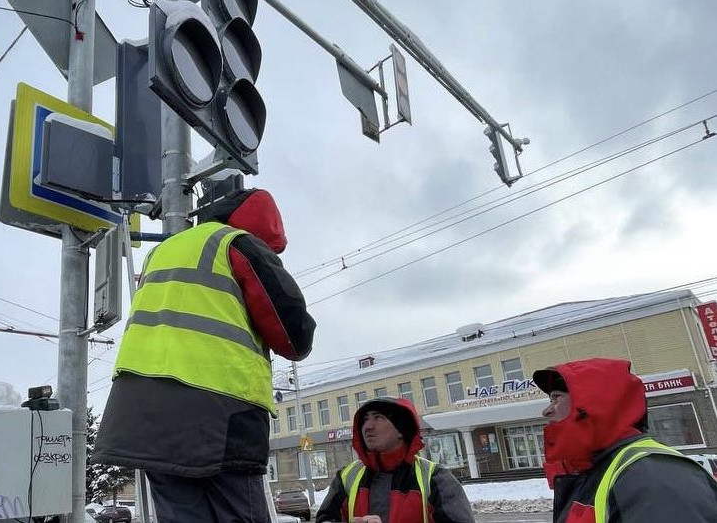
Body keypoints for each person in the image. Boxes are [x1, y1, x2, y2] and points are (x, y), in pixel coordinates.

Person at [93, 188, 315, 523]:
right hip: (218, 414)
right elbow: (293, 336)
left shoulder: (162, 252)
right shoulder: (237, 243)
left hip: (145, 418)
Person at [533, 357, 717, 522]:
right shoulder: (595, 470)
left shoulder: (651, 477)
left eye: (556, 398)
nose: (546, 411)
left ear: (594, 403)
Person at [316, 397, 475, 523]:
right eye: (365, 419)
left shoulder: (436, 478)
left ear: (401, 430)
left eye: (378, 417)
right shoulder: (347, 476)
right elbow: (325, 519)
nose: (367, 426)